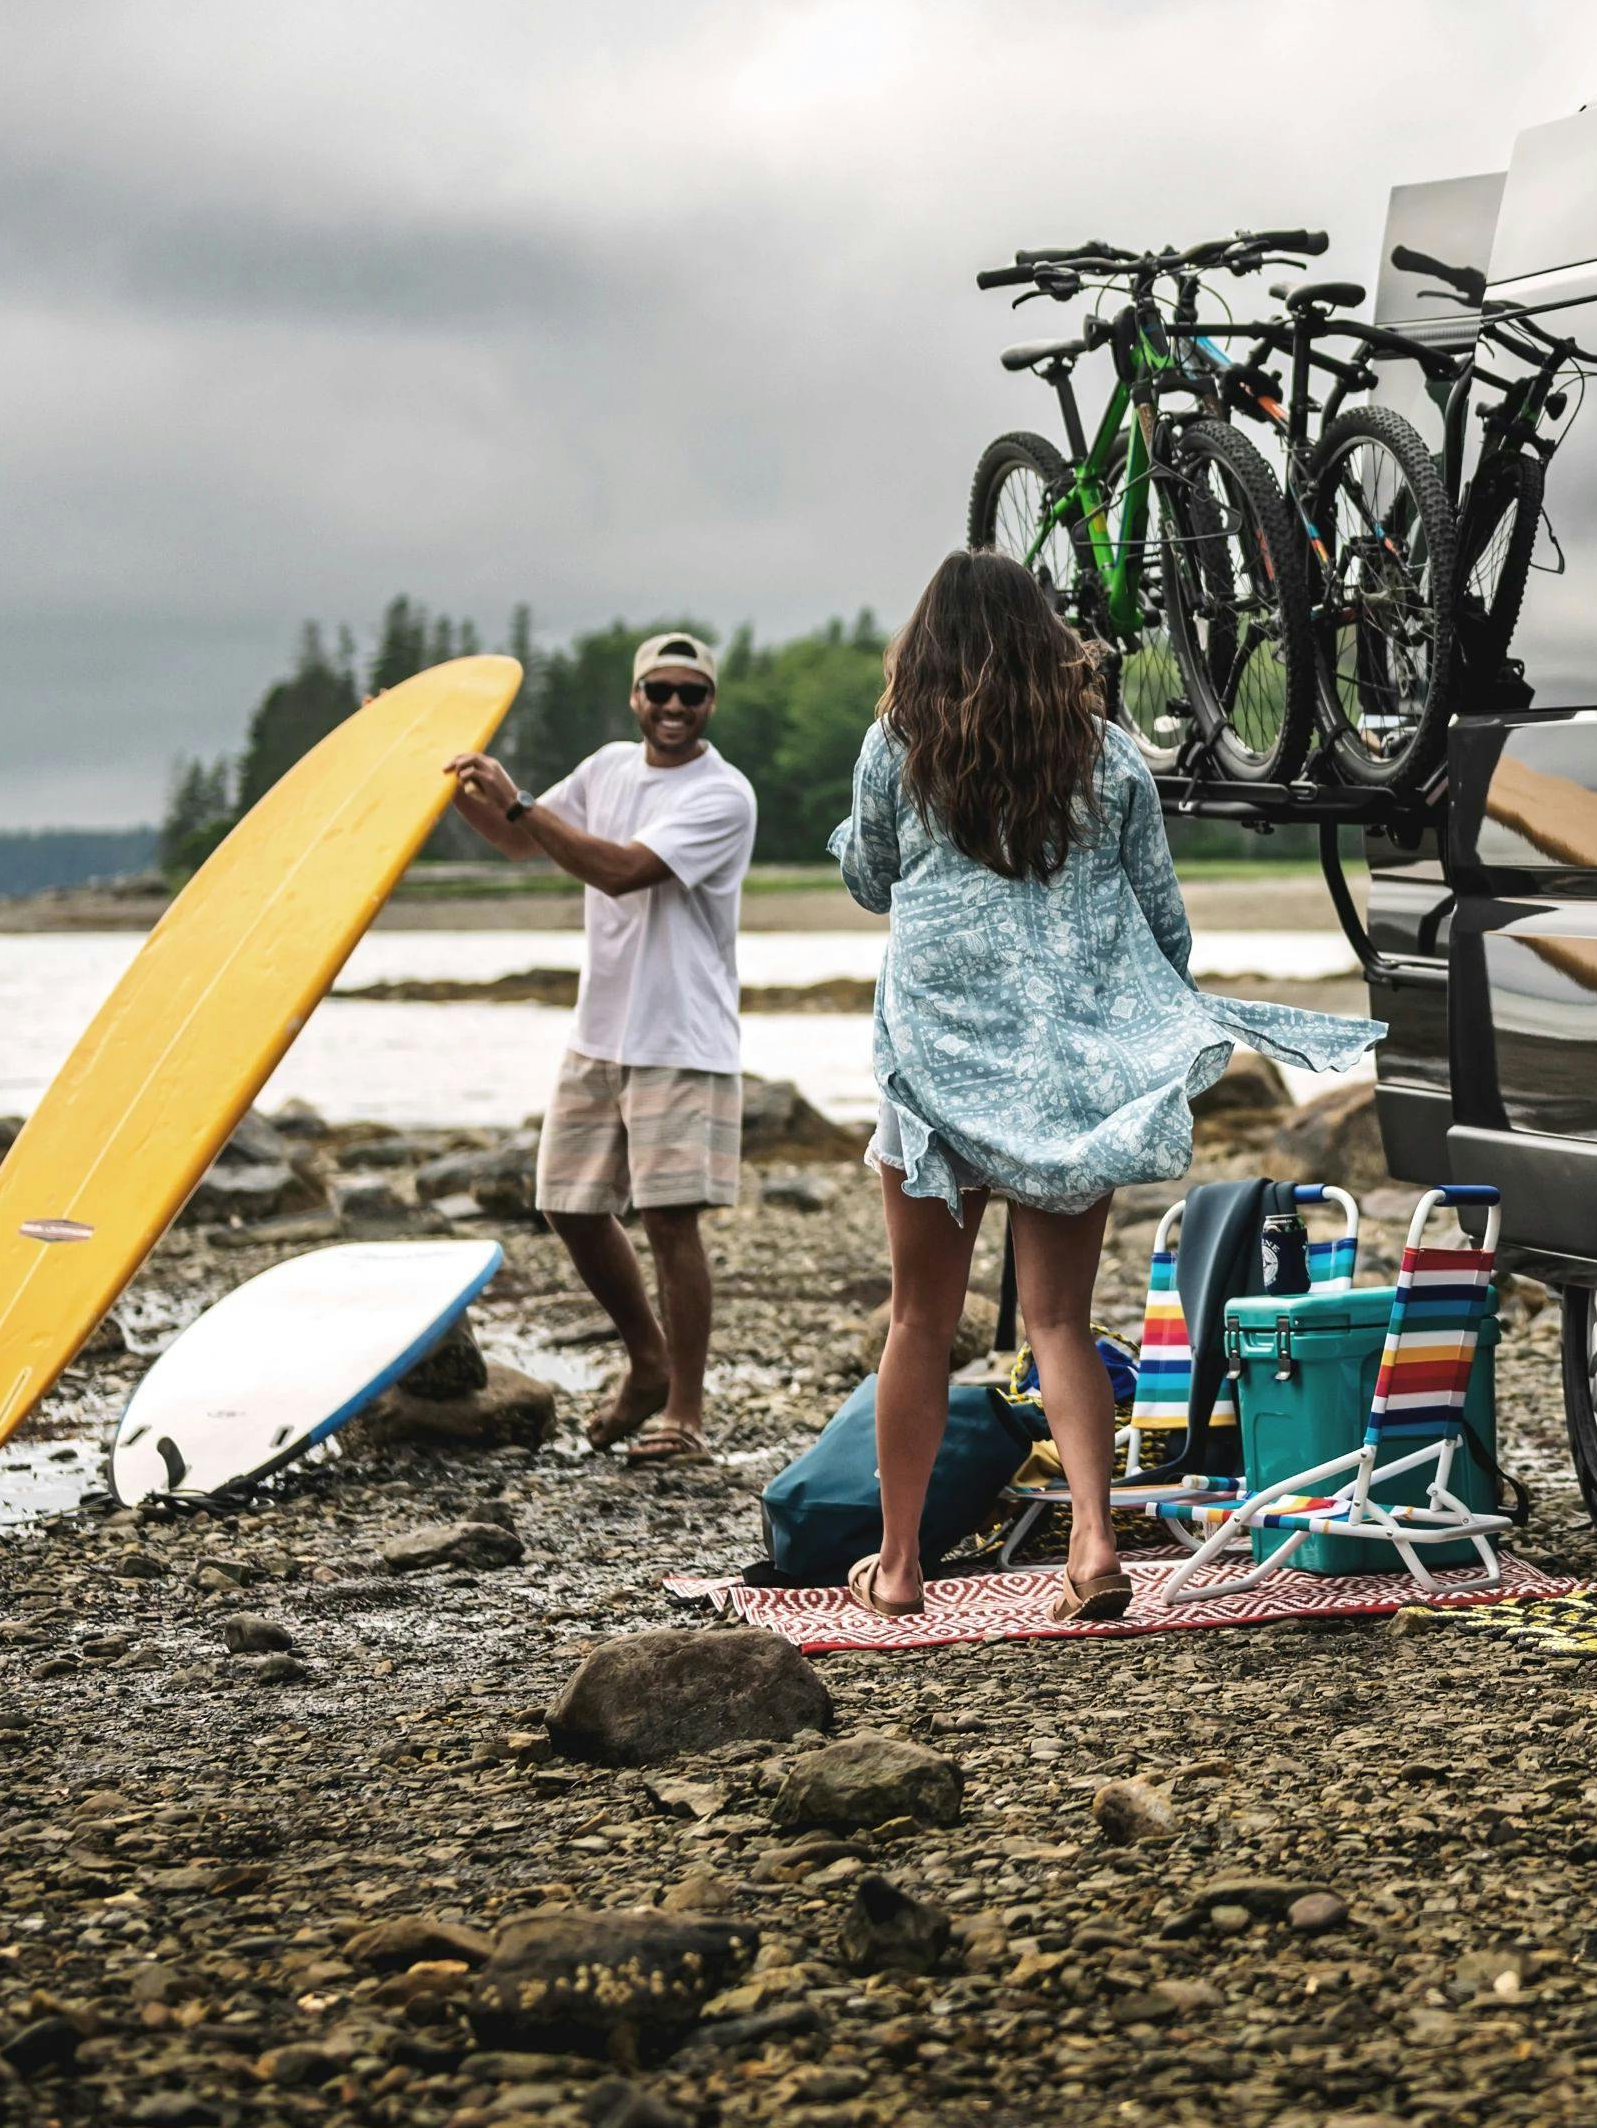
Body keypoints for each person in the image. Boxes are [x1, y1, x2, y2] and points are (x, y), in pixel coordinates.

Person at [830, 549, 1377, 1615]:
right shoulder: (1108, 752)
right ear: (1044, 633)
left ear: (925, 640)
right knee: (1061, 1323)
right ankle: (1089, 1544)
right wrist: (1154, 1026)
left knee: (918, 1323)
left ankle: (897, 1567)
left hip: (937, 1066)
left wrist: (861, 826)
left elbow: (868, 878)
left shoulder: (897, 742)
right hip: (1072, 1072)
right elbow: (1162, 915)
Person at [447, 631, 757, 1466]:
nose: (673, 708)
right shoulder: (608, 767)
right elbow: (522, 841)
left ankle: (684, 1414)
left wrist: (517, 802)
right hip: (600, 1029)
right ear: (635, 697)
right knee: (568, 1204)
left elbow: (619, 869)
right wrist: (440, 786)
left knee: (669, 1221)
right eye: (659, 690)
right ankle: (648, 1357)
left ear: (709, 704)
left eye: (691, 694)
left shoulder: (724, 795)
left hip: (681, 1035)